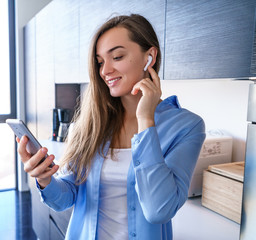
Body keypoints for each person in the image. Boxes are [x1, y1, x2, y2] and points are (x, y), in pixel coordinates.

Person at [17, 14, 206, 240]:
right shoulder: (91, 123)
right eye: (100, 62)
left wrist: (146, 120)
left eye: (117, 56)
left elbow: (159, 210)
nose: (105, 71)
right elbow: (66, 198)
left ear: (150, 57)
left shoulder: (186, 126)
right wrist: (45, 179)